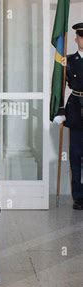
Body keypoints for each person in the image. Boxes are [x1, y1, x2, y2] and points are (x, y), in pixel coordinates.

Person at [54, 23, 83, 210]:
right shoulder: (68, 60)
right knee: (75, 155)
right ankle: (78, 197)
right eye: (81, 36)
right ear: (76, 39)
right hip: (76, 110)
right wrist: (60, 110)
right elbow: (60, 87)